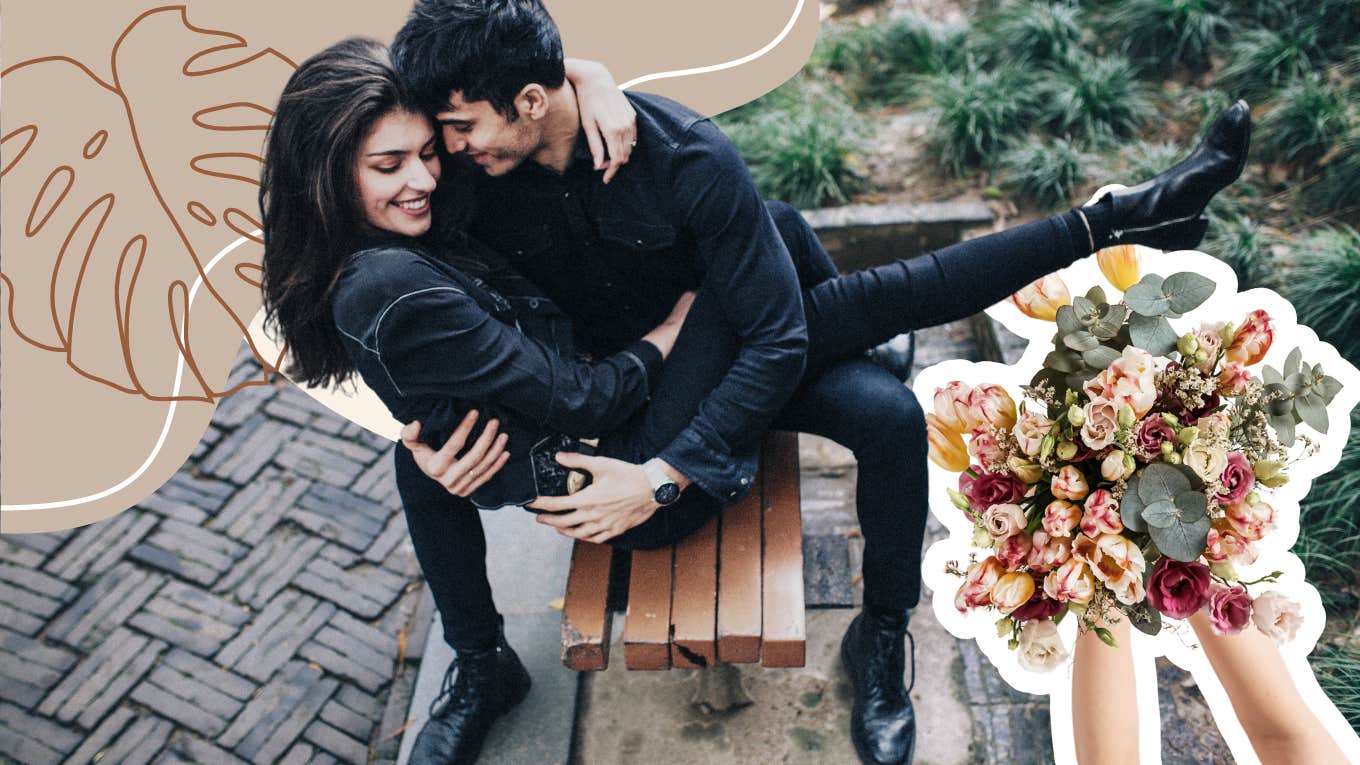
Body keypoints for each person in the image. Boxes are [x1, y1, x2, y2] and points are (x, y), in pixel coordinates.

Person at [260, 28, 1251, 765]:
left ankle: (881, 633)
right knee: (826, 295)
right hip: (632, 409)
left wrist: (595, 82)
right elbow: (465, 343)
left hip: (690, 378)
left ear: (525, 103)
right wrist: (450, 436)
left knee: (876, 399)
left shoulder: (610, 161)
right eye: (402, 158)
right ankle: (1117, 222)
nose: (432, 166)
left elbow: (757, 330)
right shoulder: (451, 191)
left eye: (438, 143)